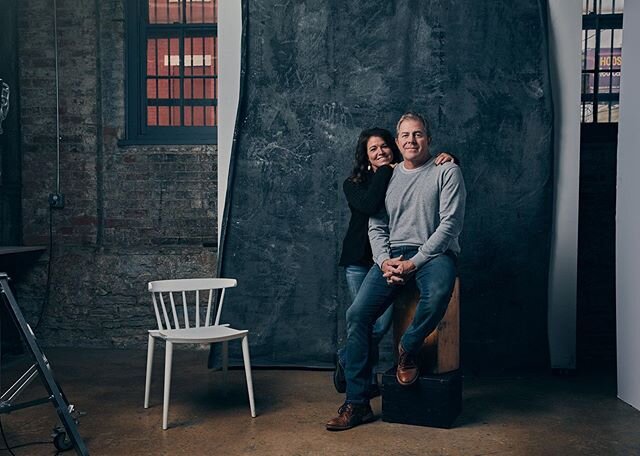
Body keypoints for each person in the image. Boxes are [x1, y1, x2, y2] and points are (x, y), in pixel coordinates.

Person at [327, 112, 466, 431]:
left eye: (418, 134)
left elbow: (449, 226)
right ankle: (357, 403)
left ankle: (408, 347)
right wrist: (383, 260)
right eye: (405, 136)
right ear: (398, 141)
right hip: (392, 255)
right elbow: (376, 225)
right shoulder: (387, 176)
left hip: (434, 254)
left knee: (439, 292)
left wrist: (414, 262)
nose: (411, 141)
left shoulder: (447, 170)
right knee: (358, 315)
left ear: (428, 138)